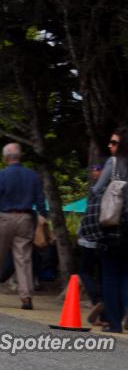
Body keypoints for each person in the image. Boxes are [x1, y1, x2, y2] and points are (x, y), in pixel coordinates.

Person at [0, 143, 46, 310]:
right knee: (23, 259)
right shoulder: (33, 176)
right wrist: (43, 217)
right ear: (19, 156)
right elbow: (40, 201)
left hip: (5, 219)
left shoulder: (2, 175)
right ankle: (26, 297)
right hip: (26, 219)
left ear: (6, 157)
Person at [92, 127, 128, 333]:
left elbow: (97, 191)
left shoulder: (113, 163)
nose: (109, 146)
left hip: (114, 228)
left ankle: (114, 322)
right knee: (126, 274)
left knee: (111, 275)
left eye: (114, 143)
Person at [77, 163, 106, 326]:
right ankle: (104, 314)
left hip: (91, 239)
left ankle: (96, 299)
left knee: (84, 271)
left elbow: (88, 214)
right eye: (93, 169)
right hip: (105, 240)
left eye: (97, 169)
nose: (94, 172)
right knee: (104, 275)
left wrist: (81, 233)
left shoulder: (96, 191)